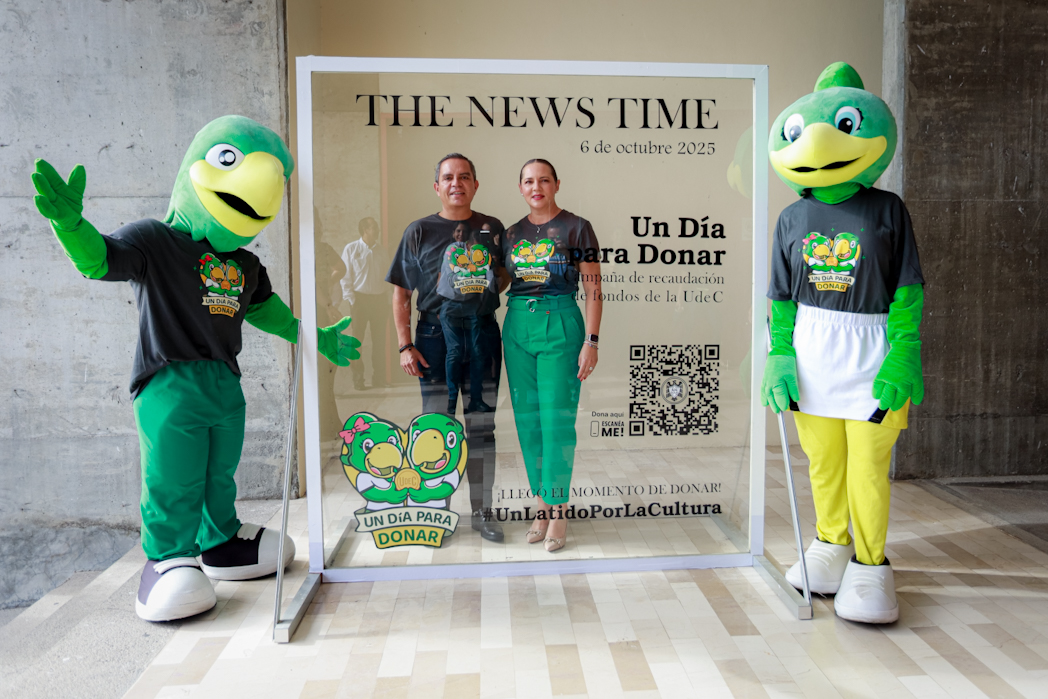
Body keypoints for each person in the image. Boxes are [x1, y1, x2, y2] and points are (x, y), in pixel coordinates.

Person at [386, 153, 506, 541]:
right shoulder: (418, 231)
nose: (457, 183)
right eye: (449, 177)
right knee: (436, 427)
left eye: (465, 177)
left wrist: (479, 291)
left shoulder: (492, 228)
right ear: (437, 186)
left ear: (475, 184)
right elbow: (401, 294)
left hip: (482, 334)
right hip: (434, 338)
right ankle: (434, 512)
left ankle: (482, 512)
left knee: (482, 426)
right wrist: (405, 345)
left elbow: (503, 274)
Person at [502, 159, 602, 552]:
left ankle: (559, 509)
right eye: (528, 181)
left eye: (544, 180)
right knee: (528, 422)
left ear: (557, 184)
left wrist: (591, 341)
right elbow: (499, 281)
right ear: (520, 187)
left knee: (556, 422)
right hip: (517, 326)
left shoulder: (577, 227)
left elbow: (593, 288)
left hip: (560, 323)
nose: (536, 187)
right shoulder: (511, 233)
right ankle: (541, 505)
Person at [436, 222, 498, 414]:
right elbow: (453, 281)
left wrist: (487, 266)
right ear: (468, 245)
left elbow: (490, 286)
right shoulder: (454, 251)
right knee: (454, 351)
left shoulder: (483, 257)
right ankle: (451, 401)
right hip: (451, 306)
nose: (476, 254)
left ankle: (476, 400)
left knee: (477, 352)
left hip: (472, 307)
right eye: (474, 249)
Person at [340, 216, 392, 390]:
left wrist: (388, 299)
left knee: (379, 341)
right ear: (364, 230)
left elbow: (387, 277)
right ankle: (358, 380)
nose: (377, 230)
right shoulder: (351, 249)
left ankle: (379, 379)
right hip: (360, 300)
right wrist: (352, 300)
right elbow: (345, 276)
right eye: (373, 227)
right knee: (357, 341)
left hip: (379, 301)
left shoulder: (382, 251)